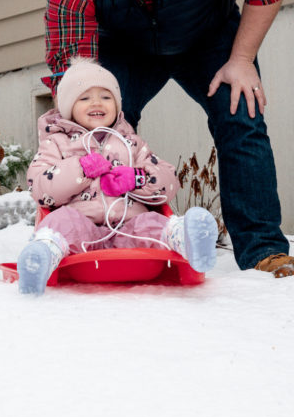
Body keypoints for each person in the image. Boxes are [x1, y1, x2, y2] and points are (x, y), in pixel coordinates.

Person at [44, 0, 294, 278]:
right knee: (96, 124)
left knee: (240, 114)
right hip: (125, 48)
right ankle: (99, 232)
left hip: (208, 34)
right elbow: (70, 64)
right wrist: (77, 123)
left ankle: (264, 252)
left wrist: (240, 60)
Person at [18, 58, 218, 295]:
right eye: (84, 97)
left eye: (106, 96)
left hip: (129, 228)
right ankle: (40, 258)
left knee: (152, 224)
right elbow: (39, 188)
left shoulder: (131, 142)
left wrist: (138, 179)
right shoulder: (57, 143)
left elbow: (168, 182)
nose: (96, 102)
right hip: (82, 234)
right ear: (67, 107)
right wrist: (79, 169)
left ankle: (188, 242)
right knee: (61, 224)